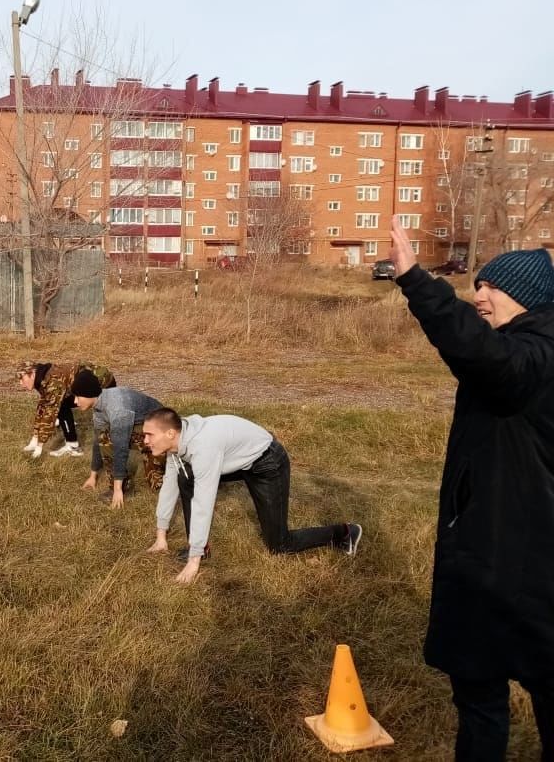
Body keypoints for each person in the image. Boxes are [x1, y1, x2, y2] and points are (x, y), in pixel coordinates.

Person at [389, 217, 554, 760]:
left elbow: (487, 358)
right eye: (475, 283)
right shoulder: (528, 349)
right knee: (480, 690)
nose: (477, 295)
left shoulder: (534, 355)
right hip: (497, 545)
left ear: (527, 298)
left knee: (507, 688)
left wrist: (418, 281)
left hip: (513, 560)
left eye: (490, 286)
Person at [141, 407, 362, 584]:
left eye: (149, 435)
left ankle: (344, 532)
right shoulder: (176, 442)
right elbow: (170, 485)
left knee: (279, 544)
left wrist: (193, 563)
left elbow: (203, 501)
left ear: (170, 433)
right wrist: (161, 536)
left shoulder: (202, 447)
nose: (145, 441)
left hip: (268, 463)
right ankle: (200, 547)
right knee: (184, 477)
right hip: (240, 460)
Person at [70, 370, 166, 509]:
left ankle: (164, 465)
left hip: (158, 429)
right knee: (104, 437)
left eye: (78, 396)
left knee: (157, 486)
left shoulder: (117, 408)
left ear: (90, 394)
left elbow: (120, 448)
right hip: (139, 426)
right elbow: (98, 441)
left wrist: (117, 490)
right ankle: (123, 484)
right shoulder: (98, 407)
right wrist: (93, 476)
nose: (75, 401)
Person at [16, 361, 115, 459]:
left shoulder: (52, 382)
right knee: (61, 404)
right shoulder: (42, 379)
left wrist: (39, 446)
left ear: (32, 374)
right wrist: (34, 439)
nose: (20, 383)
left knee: (61, 406)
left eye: (22, 378)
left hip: (104, 383)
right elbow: (42, 408)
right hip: (89, 382)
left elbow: (50, 415)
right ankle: (73, 446)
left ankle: (74, 447)